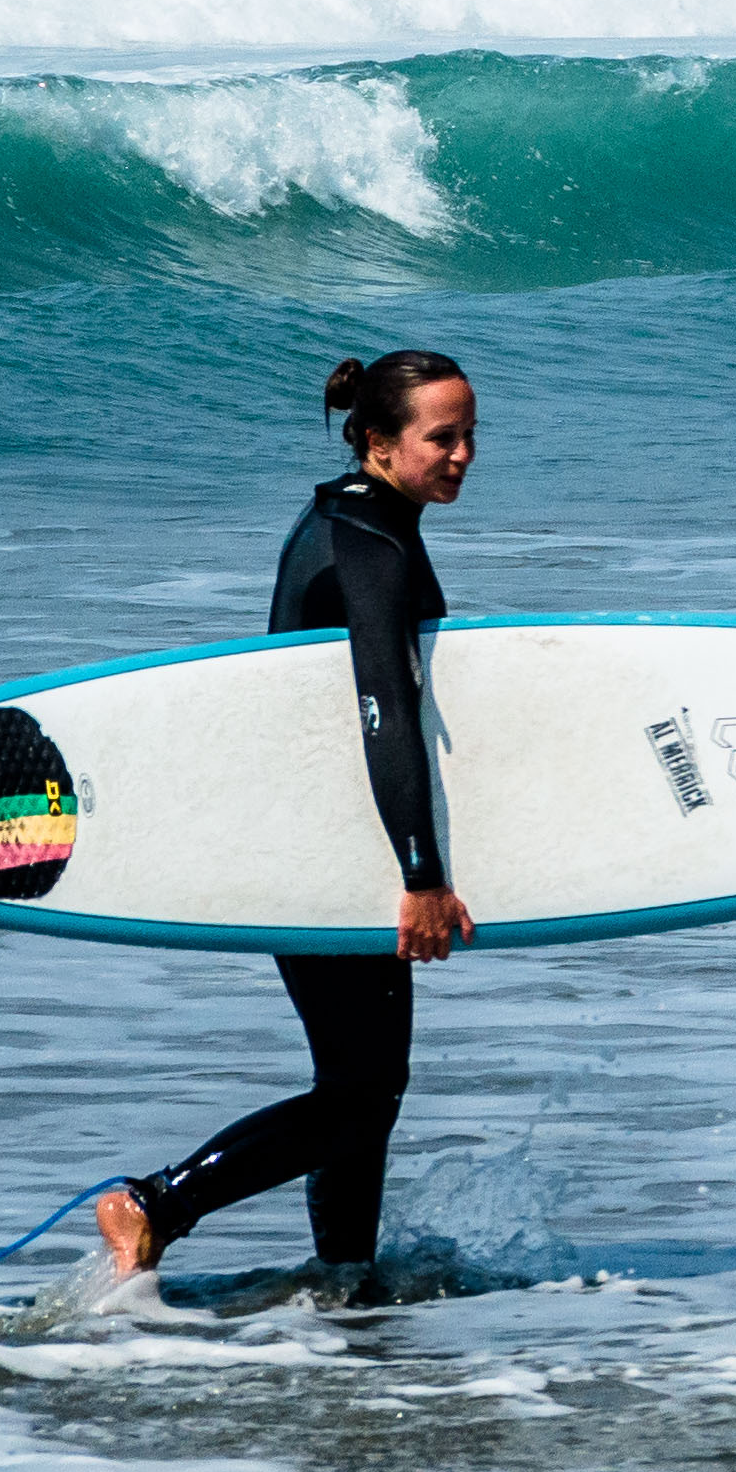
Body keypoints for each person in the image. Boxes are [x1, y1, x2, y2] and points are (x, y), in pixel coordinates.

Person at [95, 352, 479, 1282]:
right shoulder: (370, 543)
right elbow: (382, 708)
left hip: (314, 832)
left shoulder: (353, 514)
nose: (464, 454)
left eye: (471, 434)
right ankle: (157, 1203)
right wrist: (423, 874)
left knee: (362, 1088)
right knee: (360, 1097)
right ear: (381, 442)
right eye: (443, 437)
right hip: (332, 847)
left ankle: (348, 1283)